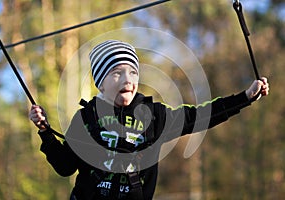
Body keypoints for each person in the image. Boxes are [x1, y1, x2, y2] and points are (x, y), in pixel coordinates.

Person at [29, 40, 269, 200]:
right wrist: (45, 132)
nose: (128, 80)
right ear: (100, 82)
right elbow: (65, 167)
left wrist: (245, 97)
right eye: (117, 73)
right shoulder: (86, 118)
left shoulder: (155, 116)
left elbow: (201, 115)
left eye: (133, 72)